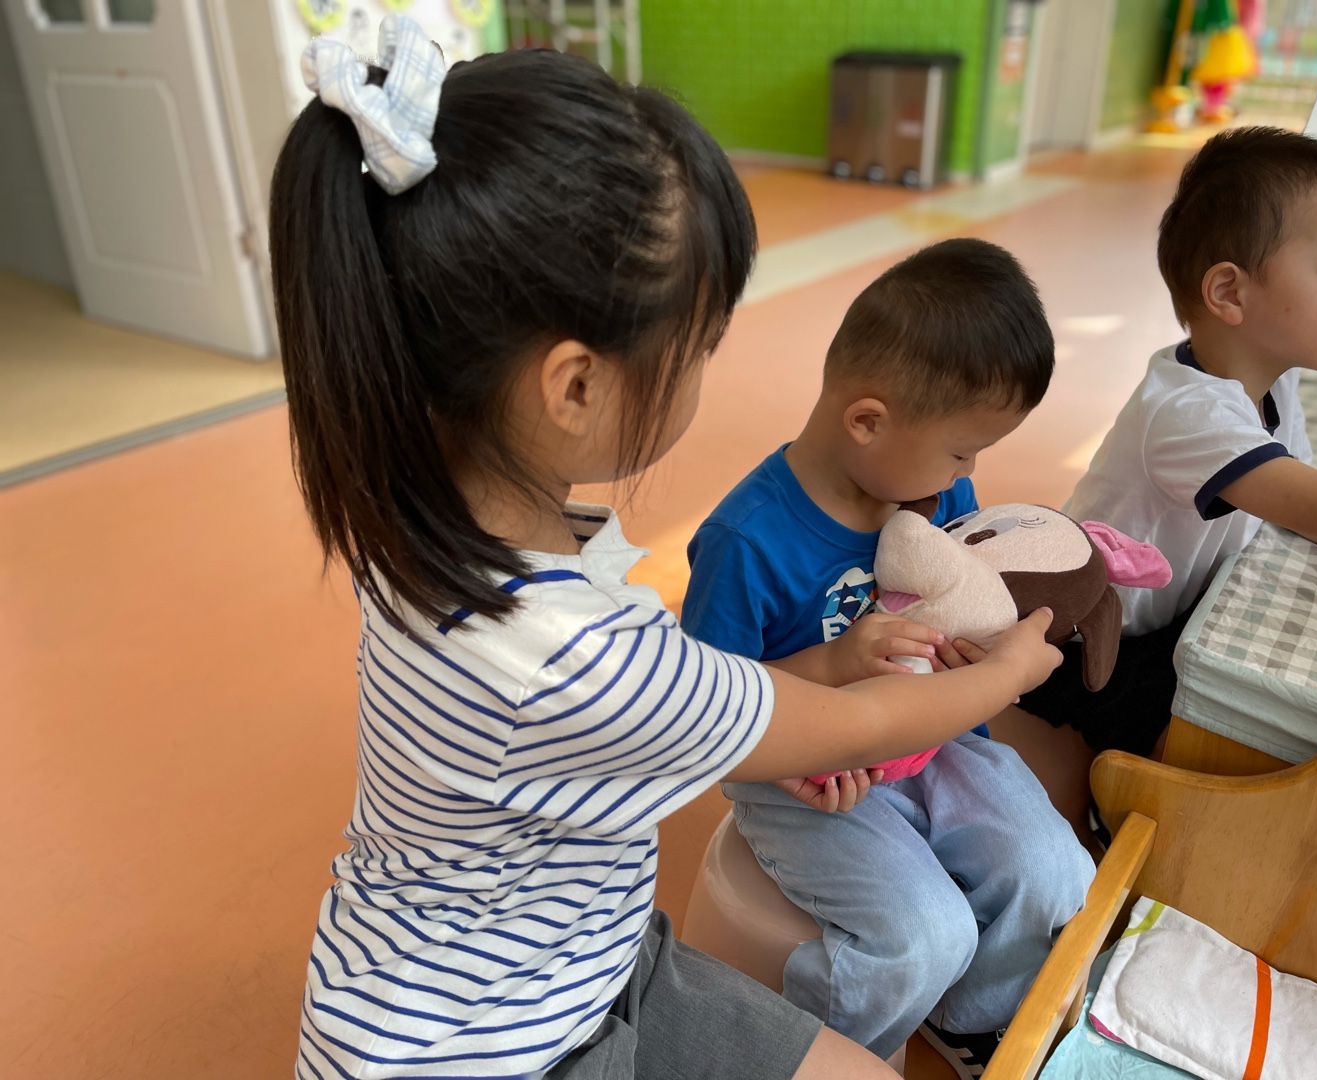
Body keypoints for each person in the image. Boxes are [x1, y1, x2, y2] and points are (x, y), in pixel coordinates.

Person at [271, 19, 1064, 1080]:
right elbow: (863, 724)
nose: (703, 374)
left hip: (585, 944)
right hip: (484, 1049)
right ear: (575, 387)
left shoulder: (429, 523)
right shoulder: (577, 659)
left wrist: (841, 662)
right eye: (697, 346)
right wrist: (1009, 671)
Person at [681, 239, 1095, 1075]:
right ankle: (830, 1050)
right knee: (924, 934)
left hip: (929, 743)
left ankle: (969, 1020)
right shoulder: (745, 540)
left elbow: (966, 592)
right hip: (807, 778)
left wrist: (984, 647)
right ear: (867, 421)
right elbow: (705, 709)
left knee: (1055, 869)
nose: (968, 474)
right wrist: (833, 667)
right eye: (961, 451)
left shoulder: (932, 491)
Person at [1021, 126, 1317, 779]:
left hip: (1168, 615)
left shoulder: (1271, 380)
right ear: (1229, 293)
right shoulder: (1188, 413)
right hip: (1088, 646)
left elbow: (1298, 498)